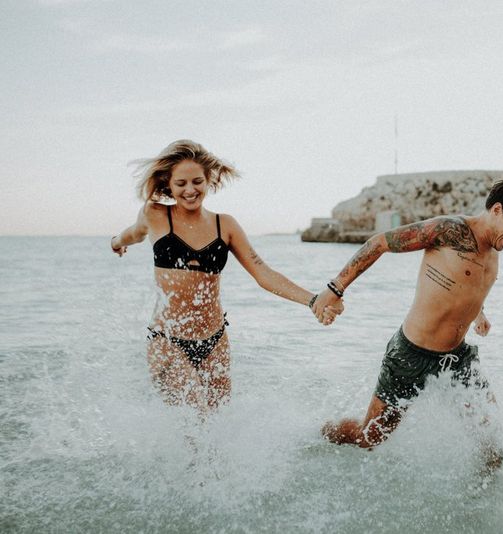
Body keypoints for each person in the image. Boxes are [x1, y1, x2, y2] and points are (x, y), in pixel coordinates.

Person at [313, 176, 503, 466]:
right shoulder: (449, 231)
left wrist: (479, 313)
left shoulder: (494, 246)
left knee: (493, 441)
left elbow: (465, 284)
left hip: (457, 359)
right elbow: (380, 243)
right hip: (410, 355)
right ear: (498, 210)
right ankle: (322, 433)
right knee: (370, 438)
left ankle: (480, 506)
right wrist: (335, 288)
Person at [111, 140, 342, 411]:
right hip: (167, 340)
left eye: (197, 181)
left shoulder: (225, 225)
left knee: (217, 425)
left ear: (209, 180)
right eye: (181, 183)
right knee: (194, 419)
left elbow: (262, 272)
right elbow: (134, 233)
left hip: (215, 341)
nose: (189, 190)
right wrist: (117, 242)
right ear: (168, 184)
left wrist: (313, 300)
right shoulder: (155, 214)